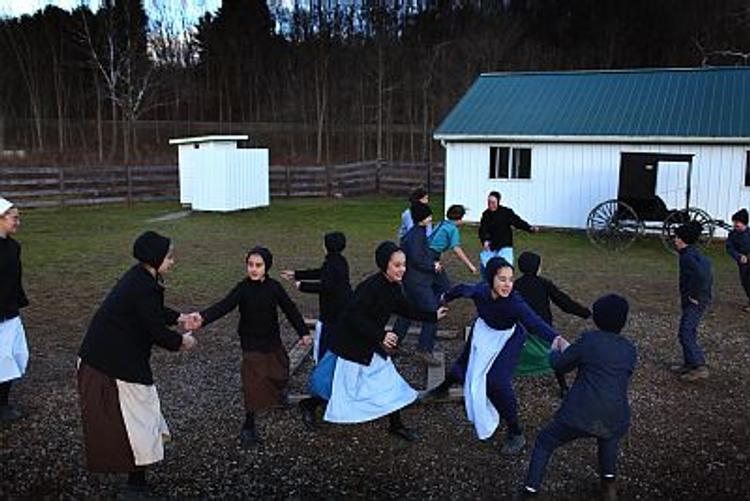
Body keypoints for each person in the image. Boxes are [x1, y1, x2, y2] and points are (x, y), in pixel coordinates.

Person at [77, 231, 197, 492]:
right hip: (112, 363)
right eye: (169, 256)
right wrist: (181, 342)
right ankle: (135, 487)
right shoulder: (143, 286)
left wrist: (180, 317)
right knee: (137, 421)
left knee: (141, 417)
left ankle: (137, 480)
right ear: (154, 259)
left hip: (118, 358)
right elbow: (154, 329)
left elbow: (150, 313)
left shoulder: (141, 278)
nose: (173, 261)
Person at [308, 241, 447, 441]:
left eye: (404, 264)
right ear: (384, 265)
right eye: (397, 265)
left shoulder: (394, 287)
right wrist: (381, 335)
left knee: (388, 382)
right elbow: (352, 317)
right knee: (341, 388)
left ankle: (396, 425)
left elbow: (406, 310)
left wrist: (432, 316)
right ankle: (309, 405)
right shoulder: (369, 287)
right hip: (352, 347)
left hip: (370, 344)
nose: (402, 269)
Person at [436, 257, 567, 455]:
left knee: (496, 380)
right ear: (491, 279)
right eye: (502, 279)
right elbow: (462, 288)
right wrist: (445, 297)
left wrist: (557, 339)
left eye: (510, 279)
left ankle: (516, 432)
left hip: (509, 337)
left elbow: (534, 321)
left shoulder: (515, 302)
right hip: (483, 330)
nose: (508, 284)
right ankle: (442, 388)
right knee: (465, 363)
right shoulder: (480, 291)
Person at [189, 246, 311, 447]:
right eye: (250, 265)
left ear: (267, 267)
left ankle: (278, 395)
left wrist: (303, 332)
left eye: (258, 265)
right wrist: (203, 318)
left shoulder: (274, 288)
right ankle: (249, 423)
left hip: (271, 339)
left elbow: (290, 309)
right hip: (251, 342)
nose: (253, 269)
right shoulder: (243, 288)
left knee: (280, 369)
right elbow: (224, 305)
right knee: (253, 381)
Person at [521, 294, 637, 501]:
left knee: (545, 442)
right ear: (623, 321)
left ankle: (530, 491)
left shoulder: (589, 340)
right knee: (608, 437)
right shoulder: (629, 349)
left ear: (597, 319)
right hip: (615, 412)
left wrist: (553, 352)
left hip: (579, 412)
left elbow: (561, 365)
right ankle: (609, 486)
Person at [514, 252, 591, 397]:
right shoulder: (544, 283)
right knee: (556, 352)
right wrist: (584, 312)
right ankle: (563, 387)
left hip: (522, 329)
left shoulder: (515, 285)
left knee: (515, 352)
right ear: (537, 267)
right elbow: (564, 302)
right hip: (544, 329)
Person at [281, 231, 353, 363]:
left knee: (324, 343)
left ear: (326, 247)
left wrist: (302, 286)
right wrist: (296, 274)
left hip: (331, 313)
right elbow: (321, 273)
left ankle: (321, 363)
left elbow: (325, 287)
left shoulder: (332, 264)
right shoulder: (340, 261)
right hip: (342, 310)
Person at [393, 202, 442, 366]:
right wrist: (432, 266)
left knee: (407, 313)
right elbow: (416, 258)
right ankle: (424, 349)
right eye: (429, 215)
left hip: (413, 280)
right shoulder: (416, 236)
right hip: (418, 282)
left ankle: (392, 344)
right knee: (431, 312)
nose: (431, 218)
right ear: (423, 217)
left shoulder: (416, 233)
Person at [0, 197, 29, 423]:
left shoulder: (14, 247)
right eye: (14, 218)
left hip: (9, 311)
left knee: (13, 355)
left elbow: (14, 279)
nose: (18, 222)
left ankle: (3, 403)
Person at [672, 222, 713, 382]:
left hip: (696, 301)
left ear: (683, 240)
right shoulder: (691, 253)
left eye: (677, 237)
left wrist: (695, 295)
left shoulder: (688, 257)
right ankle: (689, 363)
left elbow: (703, 275)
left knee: (685, 332)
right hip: (695, 299)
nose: (675, 240)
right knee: (689, 330)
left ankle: (699, 366)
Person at [478, 191, 537, 275]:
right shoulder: (486, 215)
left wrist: (529, 228)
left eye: (493, 202)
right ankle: (487, 284)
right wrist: (485, 240)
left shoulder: (506, 212)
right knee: (486, 265)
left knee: (505, 267)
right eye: (489, 202)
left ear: (498, 201)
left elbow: (517, 222)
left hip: (505, 244)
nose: (491, 205)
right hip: (491, 246)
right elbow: (482, 230)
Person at [429, 204, 478, 296]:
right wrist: (470, 266)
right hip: (432, 256)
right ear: (460, 218)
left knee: (433, 281)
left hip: (425, 252)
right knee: (444, 285)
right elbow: (456, 249)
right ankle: (435, 305)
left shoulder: (442, 223)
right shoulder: (452, 229)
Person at [726, 208, 750, 312]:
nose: (735, 224)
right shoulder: (732, 235)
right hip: (742, 263)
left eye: (737, 222)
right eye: (734, 222)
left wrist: (748, 256)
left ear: (744, 223)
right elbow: (730, 248)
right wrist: (739, 256)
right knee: (745, 282)